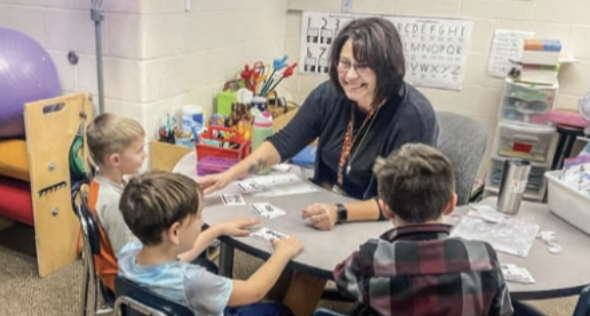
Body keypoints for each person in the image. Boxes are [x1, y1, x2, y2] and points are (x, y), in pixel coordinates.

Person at [197, 17, 438, 231]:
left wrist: (340, 212)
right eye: (344, 63)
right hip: (328, 202)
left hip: (383, 221)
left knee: (303, 269)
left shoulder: (412, 117)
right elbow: (284, 143)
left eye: (363, 66)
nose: (350, 76)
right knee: (284, 252)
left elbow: (399, 203)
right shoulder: (329, 95)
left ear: (386, 69)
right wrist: (228, 176)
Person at [333, 144, 513, 316]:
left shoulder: (371, 259)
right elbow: (502, 310)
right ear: (451, 204)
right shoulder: (484, 258)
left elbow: (342, 279)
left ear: (386, 209)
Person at [118, 170, 303, 316]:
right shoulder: (194, 282)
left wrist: (217, 230)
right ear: (175, 231)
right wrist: (282, 253)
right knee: (279, 310)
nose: (202, 221)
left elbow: (178, 256)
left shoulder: (128, 254)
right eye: (198, 216)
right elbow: (254, 290)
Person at [86, 112, 147, 290]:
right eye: (139, 150)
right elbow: (128, 259)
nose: (145, 155)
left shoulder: (101, 185)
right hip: (125, 280)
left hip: (123, 266)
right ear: (115, 160)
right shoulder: (114, 204)